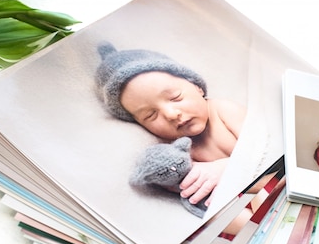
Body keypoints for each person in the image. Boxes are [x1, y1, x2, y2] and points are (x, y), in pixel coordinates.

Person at [95, 42, 250, 208]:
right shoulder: (174, 150)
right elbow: (188, 189)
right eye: (150, 115)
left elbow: (266, 147)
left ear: (197, 87)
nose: (171, 114)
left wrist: (223, 168)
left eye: (176, 97)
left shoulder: (222, 110)